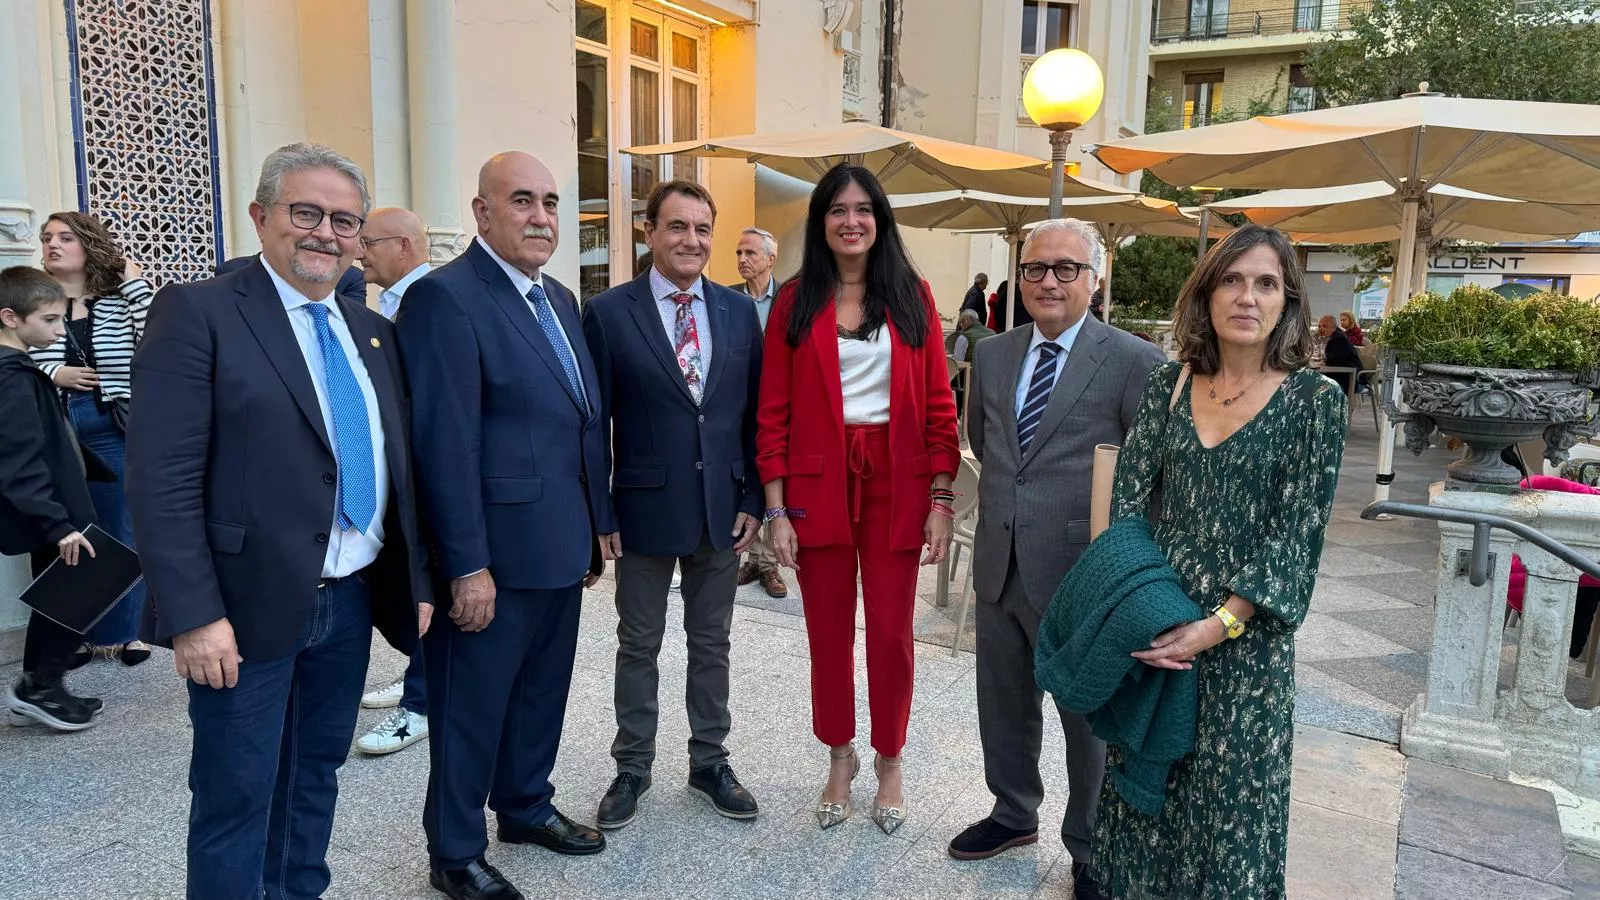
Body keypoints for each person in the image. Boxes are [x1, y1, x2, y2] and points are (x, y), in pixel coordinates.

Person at [126, 143, 433, 900]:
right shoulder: (198, 312)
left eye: (344, 220)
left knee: (314, 776)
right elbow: (161, 480)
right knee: (236, 796)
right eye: (306, 213)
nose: (325, 232)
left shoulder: (373, 333)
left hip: (351, 595)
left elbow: (402, 475)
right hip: (243, 609)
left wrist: (416, 581)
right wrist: (194, 615)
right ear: (262, 217)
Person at [1093, 224, 1346, 899]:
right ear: (1206, 295)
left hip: (1245, 648)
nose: (1247, 297)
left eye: (1266, 283)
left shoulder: (1314, 403)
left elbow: (1296, 537)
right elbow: (1126, 510)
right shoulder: (1169, 386)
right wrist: (1145, 615)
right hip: (1159, 628)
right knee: (1147, 806)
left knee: (1231, 817)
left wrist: (1217, 625)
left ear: (1286, 301)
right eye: (1232, 280)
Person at [398, 151, 611, 900]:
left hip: (560, 543)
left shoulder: (557, 296)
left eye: (551, 202)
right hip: (490, 558)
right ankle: (454, 851)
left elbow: (583, 423)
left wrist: (595, 526)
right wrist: (465, 565)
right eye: (522, 201)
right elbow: (443, 445)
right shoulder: (445, 299)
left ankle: (523, 806)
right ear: (483, 212)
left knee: (542, 692)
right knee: (470, 708)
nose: (542, 217)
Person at [949, 219, 1165, 900]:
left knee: (1087, 722)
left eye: (1065, 269)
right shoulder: (993, 354)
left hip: (1084, 576)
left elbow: (1154, 475)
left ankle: (1091, 847)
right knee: (1004, 703)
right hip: (1000, 562)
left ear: (1093, 280)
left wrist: (1132, 574)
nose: (1048, 281)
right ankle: (1013, 813)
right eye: (1036, 268)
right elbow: (986, 445)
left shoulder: (1135, 360)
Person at [757, 163, 960, 835]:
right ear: (821, 223)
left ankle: (890, 758)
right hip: (818, 485)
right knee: (828, 635)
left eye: (863, 209)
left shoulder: (913, 296)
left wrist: (941, 497)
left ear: (880, 220)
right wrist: (777, 510)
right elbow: (774, 412)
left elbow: (938, 401)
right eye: (837, 209)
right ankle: (840, 756)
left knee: (894, 636)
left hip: (896, 483)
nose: (851, 220)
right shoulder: (794, 301)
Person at [582, 180, 765, 831]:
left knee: (711, 642)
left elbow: (754, 414)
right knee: (639, 644)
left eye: (702, 229)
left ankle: (709, 761)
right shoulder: (607, 312)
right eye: (677, 227)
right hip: (641, 512)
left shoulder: (738, 312)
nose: (692, 240)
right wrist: (599, 513)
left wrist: (754, 496)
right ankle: (632, 766)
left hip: (723, 510)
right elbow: (591, 420)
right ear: (649, 232)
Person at [33, 211, 153, 667]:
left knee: (121, 528)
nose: (53, 245)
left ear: (88, 245)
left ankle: (130, 632)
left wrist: (133, 282)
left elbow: (155, 338)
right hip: (53, 424)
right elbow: (11, 350)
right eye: (46, 238)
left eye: (65, 237)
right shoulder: (31, 295)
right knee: (66, 533)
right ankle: (74, 636)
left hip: (109, 421)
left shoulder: (117, 299)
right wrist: (55, 372)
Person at [0, 267, 105, 731]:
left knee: (57, 596)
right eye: (49, 321)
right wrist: (58, 524)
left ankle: (35, 686)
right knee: (79, 589)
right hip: (56, 514)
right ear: (9, 317)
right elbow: (19, 461)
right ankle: (42, 687)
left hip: (56, 508)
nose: (61, 330)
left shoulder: (19, 371)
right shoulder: (13, 379)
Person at [352, 206, 435, 757]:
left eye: (370, 242)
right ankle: (416, 678)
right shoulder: (389, 302)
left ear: (403, 246)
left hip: (426, 472)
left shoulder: (430, 302)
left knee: (429, 587)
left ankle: (424, 701)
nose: (360, 253)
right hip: (396, 471)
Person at [730, 226, 788, 599]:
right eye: (738, 253)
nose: (742, 260)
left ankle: (768, 564)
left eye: (751, 253)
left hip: (780, 406)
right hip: (740, 405)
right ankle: (752, 556)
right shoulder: (727, 299)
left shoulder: (789, 299)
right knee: (748, 475)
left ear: (770, 258)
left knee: (774, 474)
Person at [216, 253, 368, 306]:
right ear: (262, 222)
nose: (324, 233)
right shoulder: (233, 271)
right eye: (304, 215)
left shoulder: (350, 278)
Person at [1317, 313, 1362, 393]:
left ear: (1334, 327)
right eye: (1319, 326)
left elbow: (1334, 363)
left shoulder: (1339, 339)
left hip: (1351, 381)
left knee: (1313, 387)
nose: (1321, 329)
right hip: (1340, 376)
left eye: (1325, 326)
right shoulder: (1329, 337)